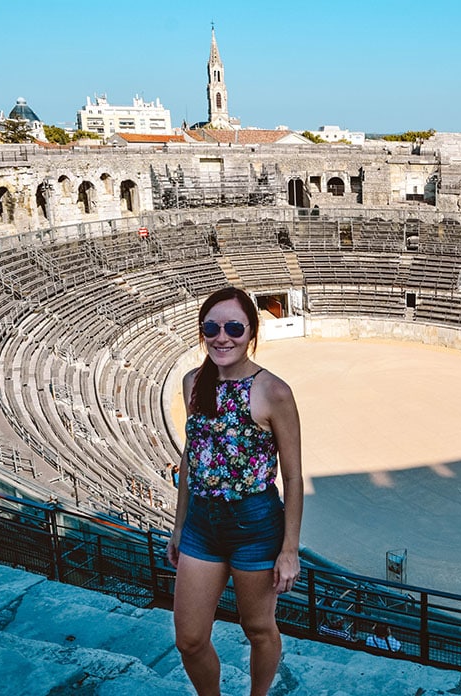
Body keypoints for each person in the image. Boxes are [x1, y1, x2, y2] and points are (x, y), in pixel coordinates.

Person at [166, 287, 303, 696]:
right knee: (189, 639)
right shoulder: (193, 382)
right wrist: (179, 526)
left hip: (255, 525)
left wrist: (289, 550)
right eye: (211, 328)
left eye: (233, 328)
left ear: (251, 333)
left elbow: (293, 477)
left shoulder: (274, 391)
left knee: (258, 628)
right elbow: (192, 457)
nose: (221, 337)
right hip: (201, 524)